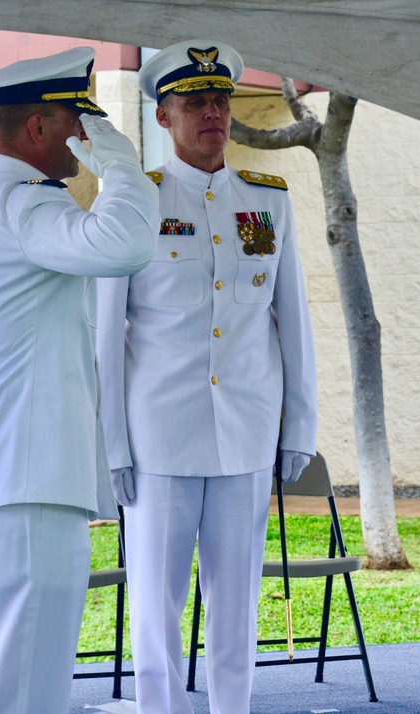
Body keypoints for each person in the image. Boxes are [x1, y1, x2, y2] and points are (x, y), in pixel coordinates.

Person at [95, 39, 317, 714]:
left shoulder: (268, 203)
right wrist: (111, 447)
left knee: (235, 610)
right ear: (163, 117)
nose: (212, 113)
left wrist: (297, 429)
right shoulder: (135, 203)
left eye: (219, 100)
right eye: (193, 102)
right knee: (155, 614)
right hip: (159, 440)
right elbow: (107, 337)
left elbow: (293, 324)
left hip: (245, 437)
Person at [0, 47, 158, 713]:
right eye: (77, 120)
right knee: (22, 692)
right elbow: (126, 242)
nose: (82, 137)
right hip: (23, 490)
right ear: (38, 127)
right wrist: (117, 158)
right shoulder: (21, 209)